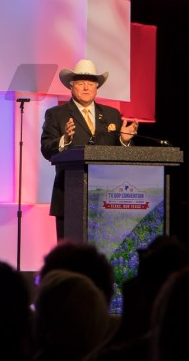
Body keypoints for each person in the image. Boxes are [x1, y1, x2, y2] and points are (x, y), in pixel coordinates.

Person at [40, 59, 138, 240]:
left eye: (91, 84)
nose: (86, 88)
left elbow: (123, 156)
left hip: (108, 197)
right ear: (71, 87)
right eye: (81, 83)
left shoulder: (111, 115)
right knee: (71, 254)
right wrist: (65, 140)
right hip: (70, 194)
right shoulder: (57, 114)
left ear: (96, 88)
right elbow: (46, 149)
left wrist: (124, 141)